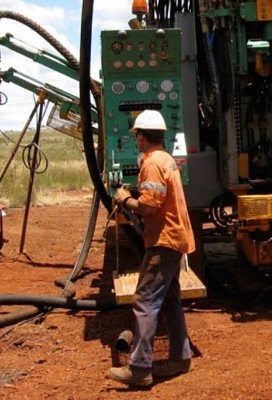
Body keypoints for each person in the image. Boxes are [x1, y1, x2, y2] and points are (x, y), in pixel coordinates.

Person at [107, 110, 195, 387]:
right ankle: (180, 358)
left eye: (137, 136)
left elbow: (148, 207)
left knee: (144, 301)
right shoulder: (166, 159)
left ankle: (139, 368)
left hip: (164, 240)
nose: (137, 141)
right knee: (169, 301)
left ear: (141, 137)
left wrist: (124, 199)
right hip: (175, 237)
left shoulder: (152, 163)